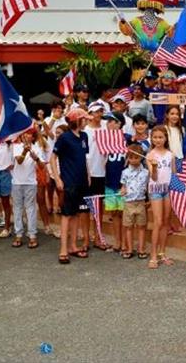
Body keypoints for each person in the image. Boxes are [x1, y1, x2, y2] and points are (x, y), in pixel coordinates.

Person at [51, 108, 90, 264]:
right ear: (77, 120)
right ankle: (63, 249)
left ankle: (73, 246)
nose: (87, 121)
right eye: (84, 119)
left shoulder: (84, 136)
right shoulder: (64, 138)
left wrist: (88, 175)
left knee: (76, 214)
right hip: (69, 182)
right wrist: (57, 179)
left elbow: (84, 158)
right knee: (67, 215)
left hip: (82, 181)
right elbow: (53, 158)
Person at [11, 129, 45, 249]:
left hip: (30, 182)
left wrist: (36, 159)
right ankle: (18, 234)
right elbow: (19, 161)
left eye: (30, 134)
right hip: (17, 182)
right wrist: (25, 151)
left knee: (30, 208)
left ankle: (32, 235)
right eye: (25, 133)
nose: (27, 135)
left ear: (33, 136)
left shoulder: (37, 148)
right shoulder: (16, 146)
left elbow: (42, 166)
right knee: (17, 208)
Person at [147, 125, 175, 269]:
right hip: (156, 189)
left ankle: (162, 253)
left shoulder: (171, 154)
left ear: (165, 138)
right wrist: (155, 166)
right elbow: (154, 177)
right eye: (155, 137)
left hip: (168, 189)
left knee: (165, 221)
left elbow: (174, 175)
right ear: (151, 138)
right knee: (157, 221)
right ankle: (153, 255)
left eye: (160, 137)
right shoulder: (150, 155)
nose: (158, 140)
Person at [84, 102, 108, 249]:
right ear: (90, 114)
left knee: (99, 206)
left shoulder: (106, 129)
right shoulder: (85, 131)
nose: (98, 114)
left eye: (100, 111)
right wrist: (86, 172)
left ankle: (98, 234)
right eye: (95, 112)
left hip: (102, 171)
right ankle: (87, 236)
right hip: (88, 172)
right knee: (85, 207)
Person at [103, 112, 128, 254]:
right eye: (108, 122)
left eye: (113, 121)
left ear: (120, 124)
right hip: (109, 182)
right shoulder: (104, 140)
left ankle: (125, 242)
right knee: (114, 214)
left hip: (123, 183)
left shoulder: (127, 139)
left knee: (124, 213)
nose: (109, 124)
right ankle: (117, 242)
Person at [120, 145, 149, 259]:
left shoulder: (146, 172)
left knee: (141, 226)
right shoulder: (125, 172)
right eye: (131, 157)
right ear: (128, 158)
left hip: (141, 202)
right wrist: (122, 190)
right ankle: (130, 249)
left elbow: (148, 186)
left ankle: (141, 249)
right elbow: (123, 186)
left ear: (141, 158)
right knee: (128, 227)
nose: (134, 160)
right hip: (128, 203)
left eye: (136, 157)